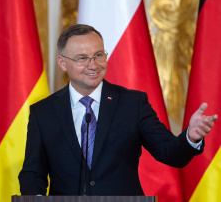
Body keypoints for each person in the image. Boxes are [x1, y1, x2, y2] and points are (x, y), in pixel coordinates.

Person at [19, 24, 218, 196]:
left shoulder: (133, 104)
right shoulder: (43, 112)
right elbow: (32, 173)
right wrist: (36, 198)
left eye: (98, 55)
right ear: (62, 63)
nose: (93, 65)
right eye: (82, 58)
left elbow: (170, 153)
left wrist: (191, 137)